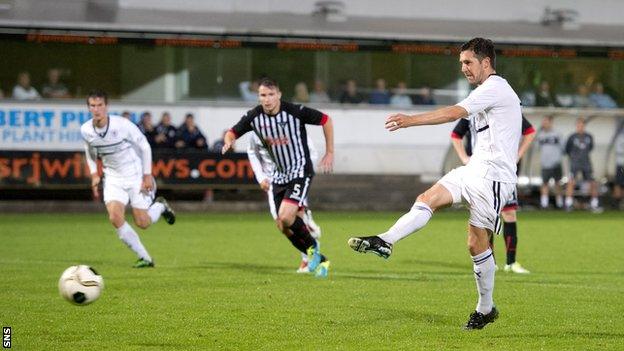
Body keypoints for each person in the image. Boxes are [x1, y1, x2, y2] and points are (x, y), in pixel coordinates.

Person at [348, 38, 521, 330]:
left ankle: (486, 308)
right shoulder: (485, 92)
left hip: (493, 178)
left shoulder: (495, 88)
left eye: (468, 62)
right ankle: (386, 240)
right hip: (474, 170)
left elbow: (452, 113)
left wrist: (409, 120)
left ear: (486, 62)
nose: (464, 68)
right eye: (461, 64)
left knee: (476, 244)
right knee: (428, 197)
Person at [222, 78, 334, 278]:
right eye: (263, 95)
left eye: (271, 94)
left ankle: (312, 249)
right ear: (259, 97)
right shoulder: (253, 117)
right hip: (278, 177)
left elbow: (326, 120)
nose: (267, 99)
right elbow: (232, 132)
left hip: (300, 171)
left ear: (279, 95)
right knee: (282, 224)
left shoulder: (295, 112)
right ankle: (318, 256)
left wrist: (330, 151)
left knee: (286, 216)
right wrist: (228, 141)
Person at [80, 90, 175, 268]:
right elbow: (90, 152)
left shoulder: (122, 125)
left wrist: (147, 175)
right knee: (115, 217)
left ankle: (160, 206)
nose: (96, 109)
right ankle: (145, 258)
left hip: (134, 175)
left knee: (143, 222)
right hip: (113, 179)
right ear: (89, 108)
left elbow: (145, 146)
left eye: (100, 105)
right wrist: (94, 174)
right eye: (93, 106)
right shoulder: (86, 130)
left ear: (106, 106)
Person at [450, 115, 535, 274]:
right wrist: (463, 157)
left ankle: (511, 262)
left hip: (503, 171)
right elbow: (455, 135)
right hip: (478, 172)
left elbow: (530, 131)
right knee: (485, 214)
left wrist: (517, 156)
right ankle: (491, 262)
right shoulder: (472, 113)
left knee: (509, 213)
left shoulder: (505, 109)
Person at [247, 133, 323, 273]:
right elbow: (252, 152)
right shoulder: (256, 129)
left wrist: (304, 173)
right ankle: (310, 232)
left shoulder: (292, 123)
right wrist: (260, 177)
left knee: (292, 218)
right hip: (272, 183)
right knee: (282, 225)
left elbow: (311, 151)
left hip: (294, 180)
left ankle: (308, 258)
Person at [564, 118, 600, 212]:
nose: (580, 127)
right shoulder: (572, 137)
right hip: (575, 163)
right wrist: (574, 157)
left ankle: (594, 204)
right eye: (578, 125)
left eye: (582, 125)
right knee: (571, 182)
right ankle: (568, 204)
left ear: (584, 126)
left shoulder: (589, 136)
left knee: (592, 182)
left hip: (586, 163)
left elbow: (591, 148)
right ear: (576, 126)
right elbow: (567, 149)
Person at [537, 116, 564, 209]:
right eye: (544, 122)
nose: (545, 124)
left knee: (558, 183)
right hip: (545, 164)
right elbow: (538, 147)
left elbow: (563, 148)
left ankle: (559, 203)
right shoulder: (540, 135)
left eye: (547, 122)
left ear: (551, 123)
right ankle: (544, 203)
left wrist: (557, 158)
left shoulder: (557, 134)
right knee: (544, 183)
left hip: (556, 163)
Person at [613, 123, 624, 209]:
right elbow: (618, 150)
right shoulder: (620, 137)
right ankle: (617, 203)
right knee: (619, 183)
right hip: (621, 163)